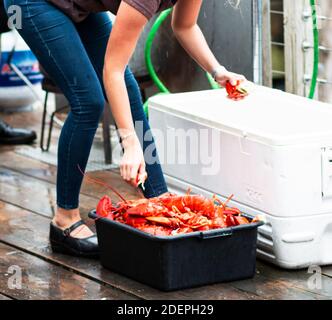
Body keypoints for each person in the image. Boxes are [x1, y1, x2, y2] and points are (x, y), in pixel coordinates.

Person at [4, 0, 245, 258]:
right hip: (34, 3)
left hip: (80, 6)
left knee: (130, 93)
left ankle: (159, 201)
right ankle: (64, 221)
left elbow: (185, 26)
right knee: (88, 102)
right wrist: (129, 144)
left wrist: (217, 70)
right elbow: (113, 70)